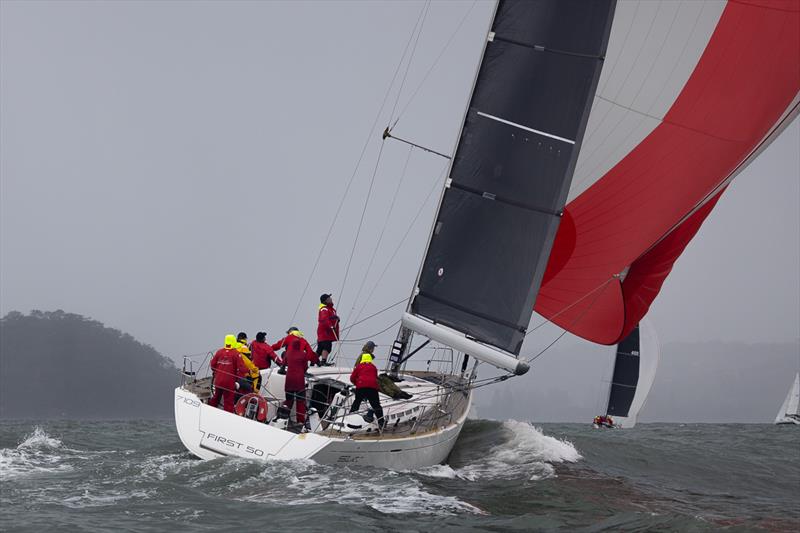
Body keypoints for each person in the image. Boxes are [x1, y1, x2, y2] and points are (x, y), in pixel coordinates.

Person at [282, 332, 320, 429]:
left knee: (289, 400)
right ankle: (300, 421)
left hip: (289, 380)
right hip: (299, 380)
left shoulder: (288, 353)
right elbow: (305, 367)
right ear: (299, 345)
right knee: (300, 401)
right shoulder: (303, 355)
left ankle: (284, 418)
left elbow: (284, 364)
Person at [349, 341, 384, 429]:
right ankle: (381, 422)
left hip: (361, 386)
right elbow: (375, 379)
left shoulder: (360, 366)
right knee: (376, 405)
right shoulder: (373, 367)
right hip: (372, 388)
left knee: (357, 402)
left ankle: (349, 417)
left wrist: (357, 383)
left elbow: (352, 378)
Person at [209, 334, 248, 413]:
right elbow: (242, 369)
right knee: (228, 402)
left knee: (216, 397)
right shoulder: (236, 354)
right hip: (229, 382)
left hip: (218, 381)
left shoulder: (219, 352)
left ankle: (209, 411)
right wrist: (241, 376)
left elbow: (212, 365)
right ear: (234, 342)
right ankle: (227, 417)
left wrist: (217, 373)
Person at [316, 293, 340, 366]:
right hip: (325, 332)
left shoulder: (331, 309)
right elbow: (324, 319)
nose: (331, 299)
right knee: (327, 346)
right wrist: (331, 326)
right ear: (326, 300)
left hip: (328, 332)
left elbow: (330, 318)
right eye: (329, 298)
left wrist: (337, 319)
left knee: (320, 349)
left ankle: (312, 361)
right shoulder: (324, 309)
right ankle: (323, 361)